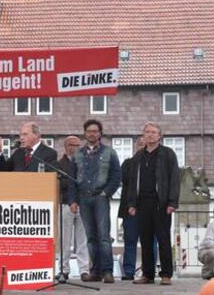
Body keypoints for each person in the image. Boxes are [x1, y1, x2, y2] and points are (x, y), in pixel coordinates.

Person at [68, 119, 121, 283]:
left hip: (100, 197)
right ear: (85, 134)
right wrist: (73, 200)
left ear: (100, 133)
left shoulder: (109, 153)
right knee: (90, 237)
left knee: (104, 236)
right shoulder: (77, 154)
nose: (92, 134)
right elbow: (72, 180)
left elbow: (116, 176)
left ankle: (107, 271)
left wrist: (106, 193)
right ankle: (95, 271)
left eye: (95, 131)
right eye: (89, 131)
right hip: (83, 199)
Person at [128, 122, 180, 286]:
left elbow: (174, 179)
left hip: (161, 204)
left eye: (153, 132)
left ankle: (166, 274)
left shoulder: (168, 154)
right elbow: (131, 182)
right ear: (143, 135)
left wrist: (172, 202)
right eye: (147, 132)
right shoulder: (138, 157)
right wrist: (132, 203)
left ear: (160, 136)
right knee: (145, 240)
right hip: (143, 203)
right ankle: (147, 274)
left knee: (163, 239)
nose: (150, 135)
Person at [55, 136, 89, 282]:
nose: (75, 147)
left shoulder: (85, 162)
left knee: (82, 239)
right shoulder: (59, 164)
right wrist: (73, 183)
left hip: (82, 204)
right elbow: (60, 184)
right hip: (65, 204)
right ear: (66, 147)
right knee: (65, 239)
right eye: (72, 145)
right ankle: (64, 269)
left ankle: (84, 270)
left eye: (77, 145)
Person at [118, 136, 146, 280]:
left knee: (149, 242)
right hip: (130, 209)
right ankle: (129, 271)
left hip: (148, 209)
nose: (142, 146)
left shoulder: (154, 163)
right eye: (139, 144)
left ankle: (148, 271)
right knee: (130, 241)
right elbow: (124, 181)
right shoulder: (128, 163)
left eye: (144, 144)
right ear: (136, 146)